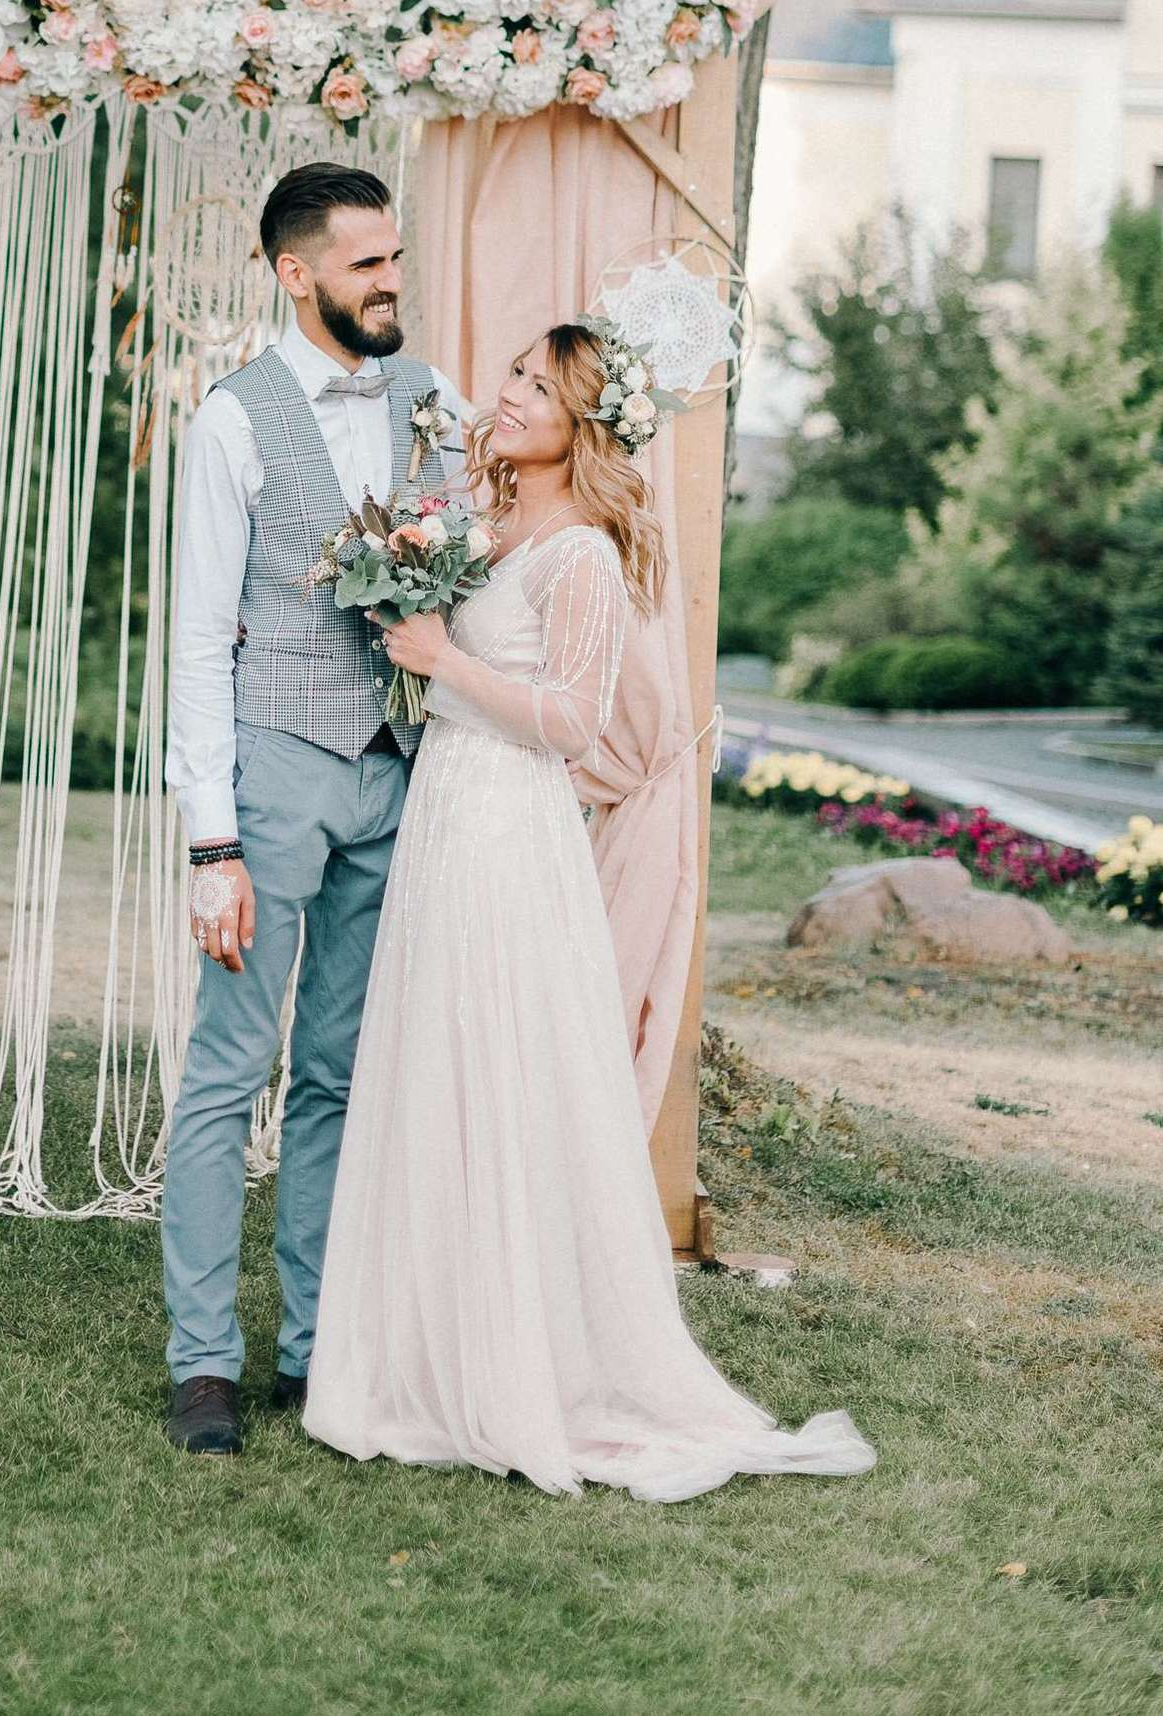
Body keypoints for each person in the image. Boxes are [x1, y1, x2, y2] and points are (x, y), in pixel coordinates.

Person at [302, 323, 875, 1499]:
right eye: (510, 373)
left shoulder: (583, 557)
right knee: (434, 1069)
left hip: (510, 835)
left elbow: (571, 720)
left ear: (583, 423)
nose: (507, 394)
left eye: (536, 386)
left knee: (500, 1074)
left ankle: (522, 1362)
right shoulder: (487, 527)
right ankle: (425, 1344)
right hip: (445, 821)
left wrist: (438, 659)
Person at [160, 162, 466, 1457]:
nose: (393, 282)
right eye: (367, 264)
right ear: (299, 276)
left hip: (395, 775)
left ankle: (317, 1343)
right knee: (233, 1070)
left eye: (396, 259)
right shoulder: (233, 420)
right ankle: (203, 1364)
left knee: (342, 1072)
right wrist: (212, 840)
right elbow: (195, 640)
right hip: (275, 766)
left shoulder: (433, 403)